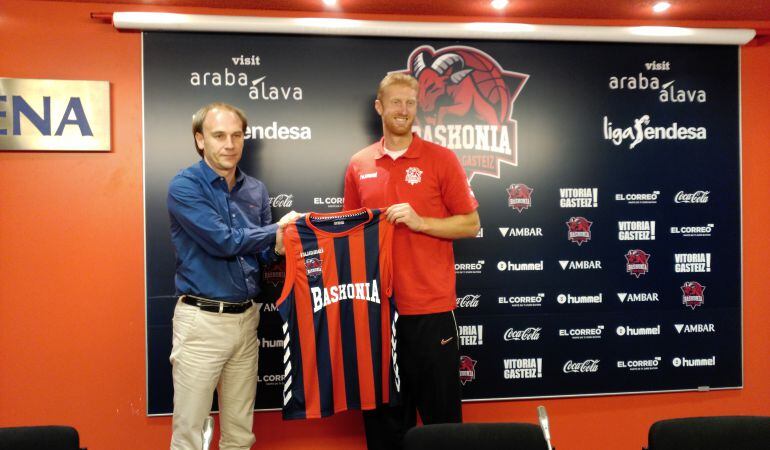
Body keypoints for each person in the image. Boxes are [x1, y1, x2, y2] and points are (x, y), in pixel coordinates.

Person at [343, 73, 480, 450]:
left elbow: (471, 224)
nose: (403, 110)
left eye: (410, 103)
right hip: (379, 312)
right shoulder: (359, 164)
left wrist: (421, 222)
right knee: (386, 423)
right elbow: (351, 234)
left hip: (431, 310)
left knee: (442, 423)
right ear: (380, 107)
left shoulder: (441, 158)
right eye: (396, 102)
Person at [167, 102, 298, 450]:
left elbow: (263, 253)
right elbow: (222, 241)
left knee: (240, 434)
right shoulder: (185, 186)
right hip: (202, 323)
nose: (230, 144)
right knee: (190, 435)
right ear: (200, 140)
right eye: (219, 135)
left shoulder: (254, 189)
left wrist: (282, 245)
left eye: (237, 135)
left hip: (246, 320)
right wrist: (277, 230)